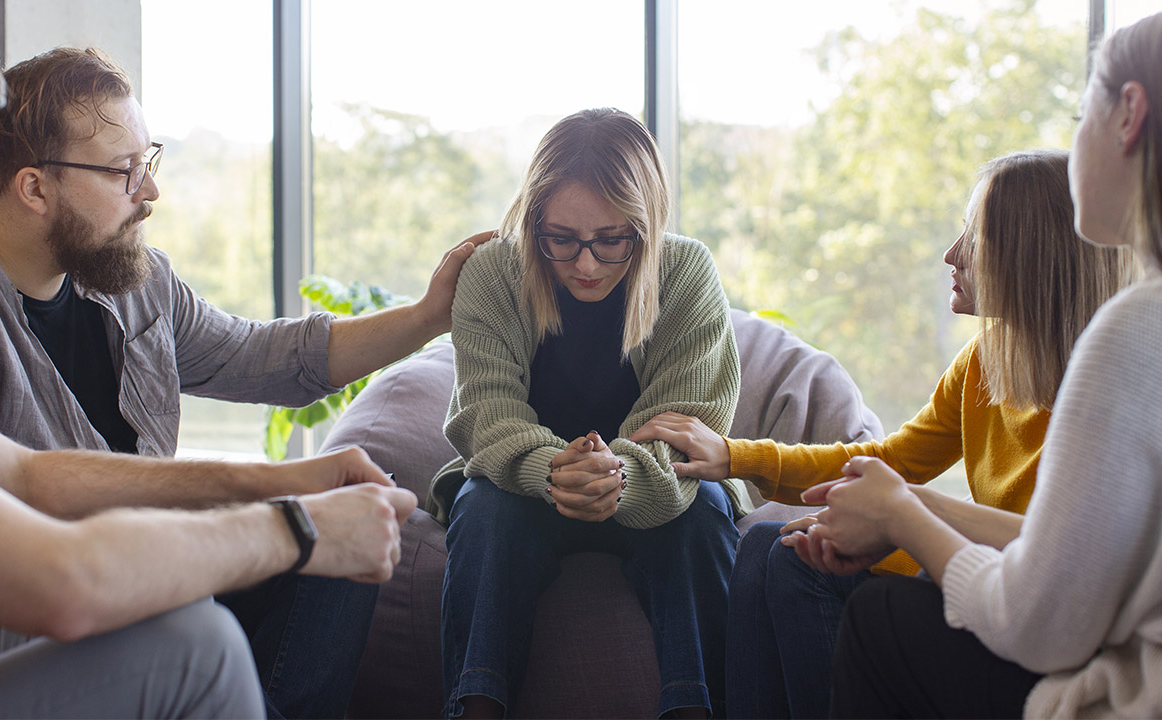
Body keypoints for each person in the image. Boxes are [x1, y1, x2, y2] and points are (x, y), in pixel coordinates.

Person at [0, 43, 486, 720]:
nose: (151, 191)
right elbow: (11, 528)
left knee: (323, 527)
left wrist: (427, 317)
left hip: (75, 555)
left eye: (149, 162)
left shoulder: (126, 276)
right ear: (32, 189)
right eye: (123, 172)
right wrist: (285, 526)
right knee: (196, 622)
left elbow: (34, 472)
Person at [630, 149, 1136, 718]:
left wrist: (901, 512)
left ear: (1029, 257)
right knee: (770, 546)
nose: (952, 255)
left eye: (975, 237)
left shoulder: (1110, 386)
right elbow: (888, 461)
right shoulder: (983, 364)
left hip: (1030, 609)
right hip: (976, 576)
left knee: (797, 565)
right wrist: (733, 456)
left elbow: (1066, 557)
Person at [794, 12, 1161, 718]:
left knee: (878, 621)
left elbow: (1042, 624)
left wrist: (904, 514)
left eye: (1084, 110)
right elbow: (1079, 560)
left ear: (1129, 117)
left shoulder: (1134, 333)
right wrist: (908, 503)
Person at [427, 108, 743, 719]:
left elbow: (686, 426)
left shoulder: (687, 273)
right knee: (484, 509)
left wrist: (617, 477)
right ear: (532, 219)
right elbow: (486, 414)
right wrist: (551, 469)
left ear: (647, 226)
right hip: (522, 488)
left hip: (655, 488)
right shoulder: (494, 271)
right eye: (562, 239)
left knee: (702, 511)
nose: (586, 263)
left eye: (612, 240)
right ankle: (474, 707)